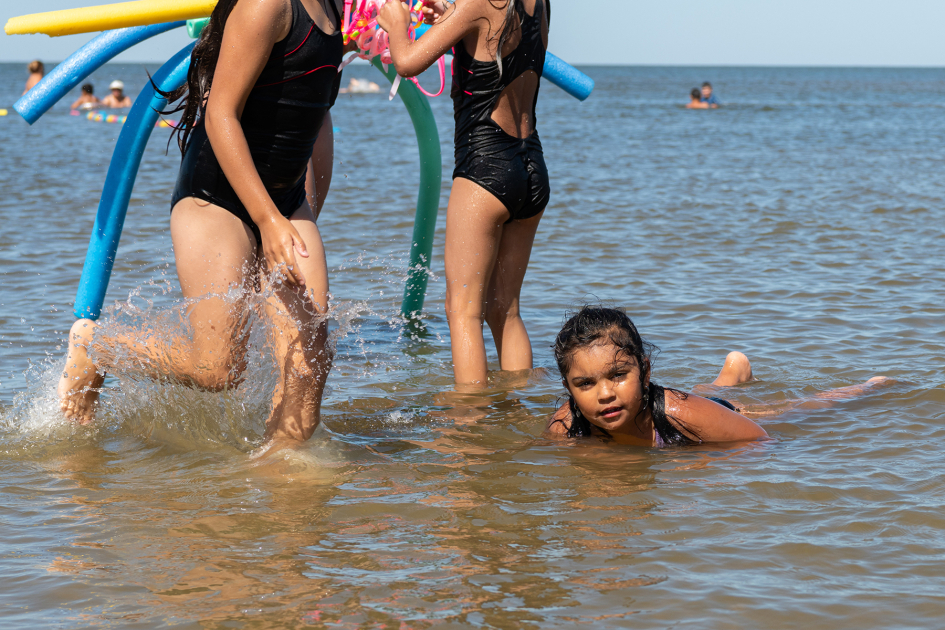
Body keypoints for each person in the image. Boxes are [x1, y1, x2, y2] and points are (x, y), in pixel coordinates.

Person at [58, 0, 345, 442]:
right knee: (218, 370)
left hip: (285, 203)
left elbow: (317, 112)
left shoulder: (333, 7)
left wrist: (305, 210)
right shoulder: (268, 5)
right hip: (217, 198)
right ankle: (96, 346)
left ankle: (287, 488)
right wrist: (267, 219)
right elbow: (220, 113)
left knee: (310, 361)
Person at [378, 0, 551, 385]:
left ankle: (469, 426)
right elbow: (493, 40)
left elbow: (406, 62)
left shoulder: (478, 3)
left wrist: (396, 23)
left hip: (485, 169)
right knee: (506, 310)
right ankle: (519, 408)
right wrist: (450, 18)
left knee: (463, 312)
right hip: (532, 167)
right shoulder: (539, 4)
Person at [546, 307, 890, 446]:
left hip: (714, 410)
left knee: (798, 408)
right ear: (568, 388)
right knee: (702, 392)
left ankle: (866, 386)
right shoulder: (566, 425)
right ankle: (733, 369)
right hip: (692, 401)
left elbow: (760, 442)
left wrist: (705, 468)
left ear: (645, 372)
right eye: (586, 383)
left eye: (618, 375)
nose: (604, 393)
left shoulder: (684, 415)